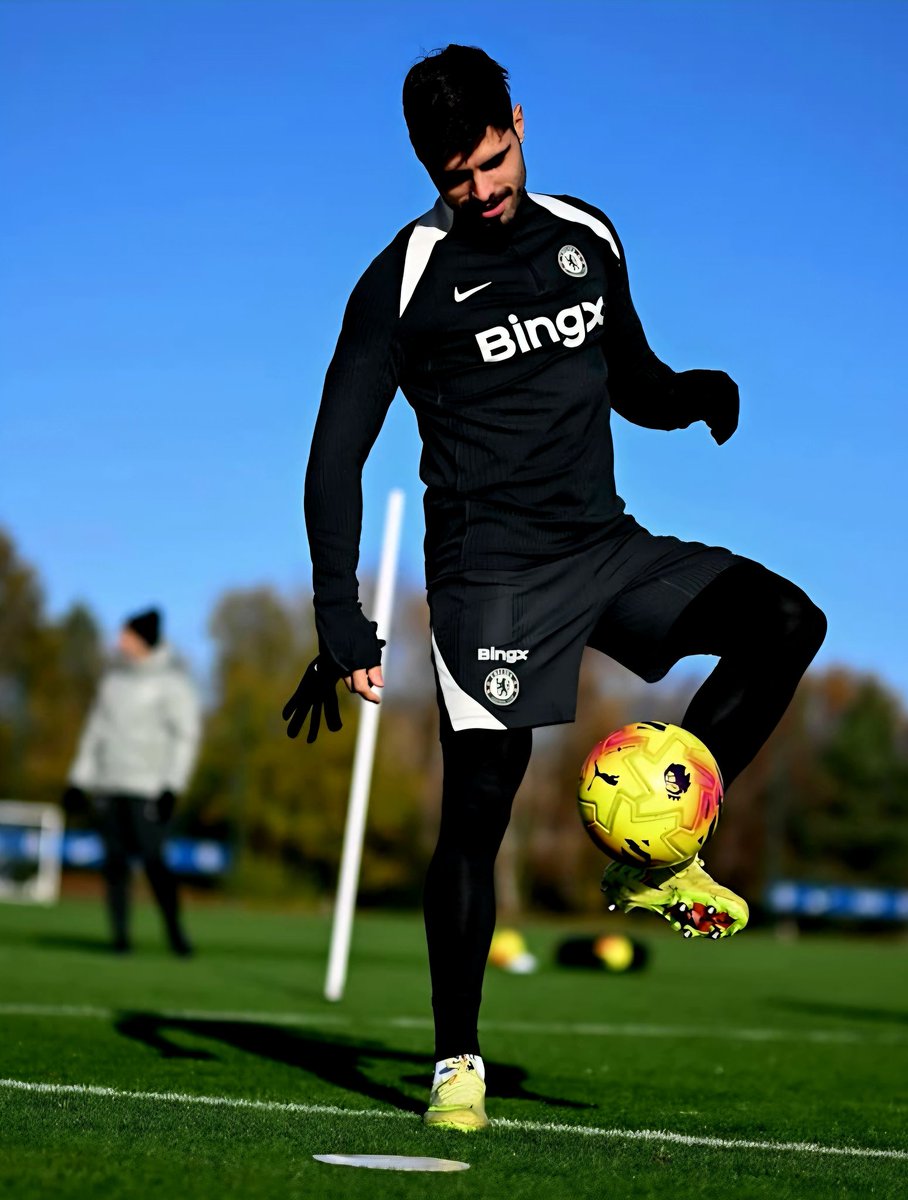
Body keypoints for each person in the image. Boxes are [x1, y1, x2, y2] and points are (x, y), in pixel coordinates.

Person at [283, 45, 826, 1129]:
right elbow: (332, 457)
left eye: (492, 160)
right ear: (425, 171)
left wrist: (690, 394)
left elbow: (630, 376)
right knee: (477, 815)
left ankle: (664, 848)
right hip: (492, 583)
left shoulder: (586, 235)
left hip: (605, 547)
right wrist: (342, 619)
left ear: (520, 122)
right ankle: (456, 1063)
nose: (481, 192)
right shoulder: (402, 281)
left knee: (784, 622)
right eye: (455, 177)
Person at [64, 608, 200, 956]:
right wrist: (78, 780)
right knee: (114, 865)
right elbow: (95, 733)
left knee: (155, 862)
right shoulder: (113, 682)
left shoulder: (172, 683)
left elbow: (185, 737)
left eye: (125, 634)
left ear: (142, 638)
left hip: (148, 790)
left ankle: (175, 932)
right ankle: (120, 937)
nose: (119, 641)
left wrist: (172, 785)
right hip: (109, 786)